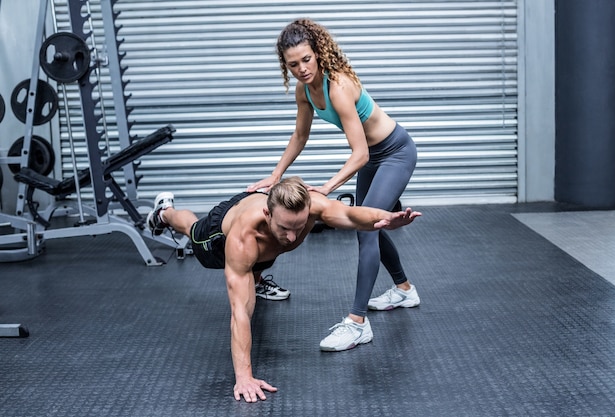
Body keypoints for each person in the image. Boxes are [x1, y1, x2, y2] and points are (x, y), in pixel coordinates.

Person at [146, 176, 420, 403]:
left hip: (262, 229)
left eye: (298, 227)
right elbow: (240, 311)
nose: (292, 237)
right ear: (268, 213)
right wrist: (244, 376)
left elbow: (349, 214)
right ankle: (164, 212)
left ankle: (258, 276)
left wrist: (385, 217)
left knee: (265, 254)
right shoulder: (243, 238)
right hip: (218, 233)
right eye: (286, 228)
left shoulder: (310, 206)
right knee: (193, 230)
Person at [247, 19, 420, 352]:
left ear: (318, 53)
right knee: (370, 223)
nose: (301, 69)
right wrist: (275, 174)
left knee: (365, 229)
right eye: (292, 64)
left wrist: (325, 188)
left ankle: (357, 323)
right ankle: (404, 289)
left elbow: (360, 152)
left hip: (395, 152)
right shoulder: (304, 91)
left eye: (306, 59)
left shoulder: (337, 85)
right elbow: (300, 136)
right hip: (372, 158)